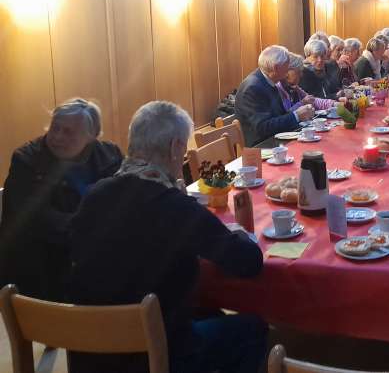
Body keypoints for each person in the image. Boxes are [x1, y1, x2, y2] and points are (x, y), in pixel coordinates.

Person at [68, 101, 266, 373]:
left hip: (91, 352)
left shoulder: (94, 194)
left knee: (207, 312)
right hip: (154, 354)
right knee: (253, 329)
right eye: (183, 150)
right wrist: (239, 233)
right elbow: (248, 262)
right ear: (175, 148)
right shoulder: (173, 205)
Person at [0, 99, 123, 301]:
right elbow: (37, 218)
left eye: (68, 132)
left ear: (91, 136)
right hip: (40, 264)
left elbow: (122, 200)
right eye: (55, 128)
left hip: (93, 255)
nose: (57, 137)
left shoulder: (110, 156)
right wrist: (89, 230)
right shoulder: (27, 160)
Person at [236, 45, 314, 146]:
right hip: (260, 145)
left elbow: (280, 115)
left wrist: (299, 113)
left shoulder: (269, 81)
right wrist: (296, 116)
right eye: (286, 67)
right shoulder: (253, 88)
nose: (287, 72)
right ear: (276, 68)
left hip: (275, 139)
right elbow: (263, 128)